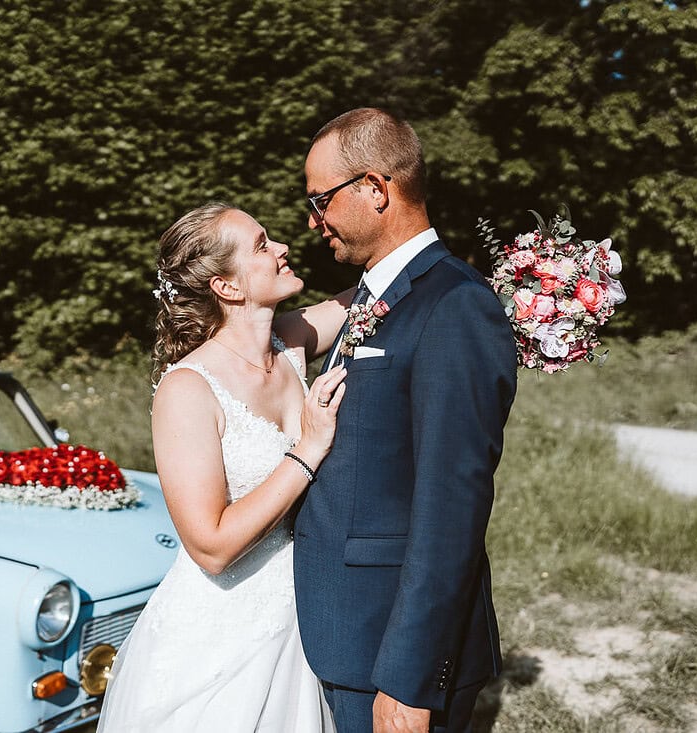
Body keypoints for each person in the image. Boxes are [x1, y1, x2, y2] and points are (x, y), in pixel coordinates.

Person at [293, 108, 518, 732]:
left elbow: (453, 506)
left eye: (320, 201)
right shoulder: (376, 293)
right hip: (346, 631)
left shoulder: (455, 307)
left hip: (390, 656)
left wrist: (410, 679)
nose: (313, 222)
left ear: (374, 189)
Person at [98, 202, 353, 732]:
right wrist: (306, 451)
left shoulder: (291, 345)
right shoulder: (188, 389)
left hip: (302, 613)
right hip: (222, 633)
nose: (283, 247)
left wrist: (522, 279)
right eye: (262, 245)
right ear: (228, 288)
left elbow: (374, 297)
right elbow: (210, 547)